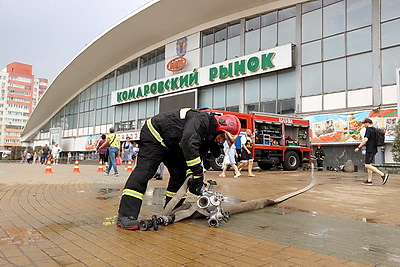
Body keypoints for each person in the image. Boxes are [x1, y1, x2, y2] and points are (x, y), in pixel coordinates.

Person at [116, 108, 240, 230]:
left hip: (172, 144)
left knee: (180, 175)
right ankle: (126, 216)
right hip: (155, 135)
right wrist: (197, 173)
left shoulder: (206, 137)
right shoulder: (201, 120)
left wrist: (195, 180)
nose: (222, 141)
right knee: (145, 172)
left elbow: (194, 158)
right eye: (224, 137)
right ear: (220, 128)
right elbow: (188, 142)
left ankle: (173, 209)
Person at [354, 118, 389, 186]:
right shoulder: (374, 129)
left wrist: (358, 147)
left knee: (366, 165)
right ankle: (369, 180)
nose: (363, 125)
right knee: (369, 165)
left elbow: (365, 140)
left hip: (370, 149)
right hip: (374, 149)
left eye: (364, 123)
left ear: (367, 123)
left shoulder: (368, 130)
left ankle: (383, 175)